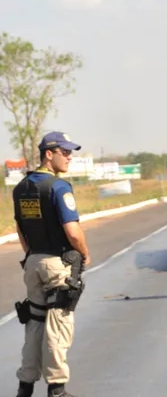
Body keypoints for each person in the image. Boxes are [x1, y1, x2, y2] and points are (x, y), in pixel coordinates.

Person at [13, 132, 91, 397]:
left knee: (34, 323)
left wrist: (32, 255)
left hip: (33, 261)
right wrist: (85, 253)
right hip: (58, 263)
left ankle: (25, 386)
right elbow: (72, 231)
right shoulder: (58, 187)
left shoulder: (21, 188)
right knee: (58, 324)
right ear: (49, 154)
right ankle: (57, 389)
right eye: (65, 152)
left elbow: (20, 228)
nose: (70, 157)